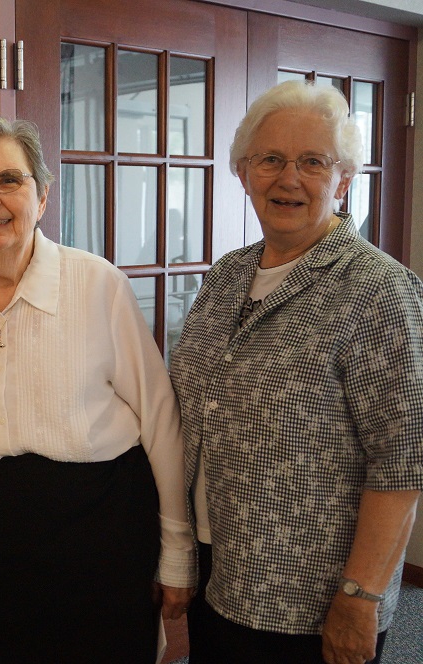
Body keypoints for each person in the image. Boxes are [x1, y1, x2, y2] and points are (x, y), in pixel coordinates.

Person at [0, 114, 195, 663]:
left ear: (42, 196)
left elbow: (161, 422)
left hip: (98, 531)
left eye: (8, 180)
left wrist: (176, 553)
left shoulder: (98, 283)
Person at [169, 79, 423, 664]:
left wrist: (360, 598)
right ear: (243, 172)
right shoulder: (228, 275)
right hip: (221, 569)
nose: (289, 178)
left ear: (344, 178)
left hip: (309, 599)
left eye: (313, 162)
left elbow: (403, 461)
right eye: (270, 160)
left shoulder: (379, 290)